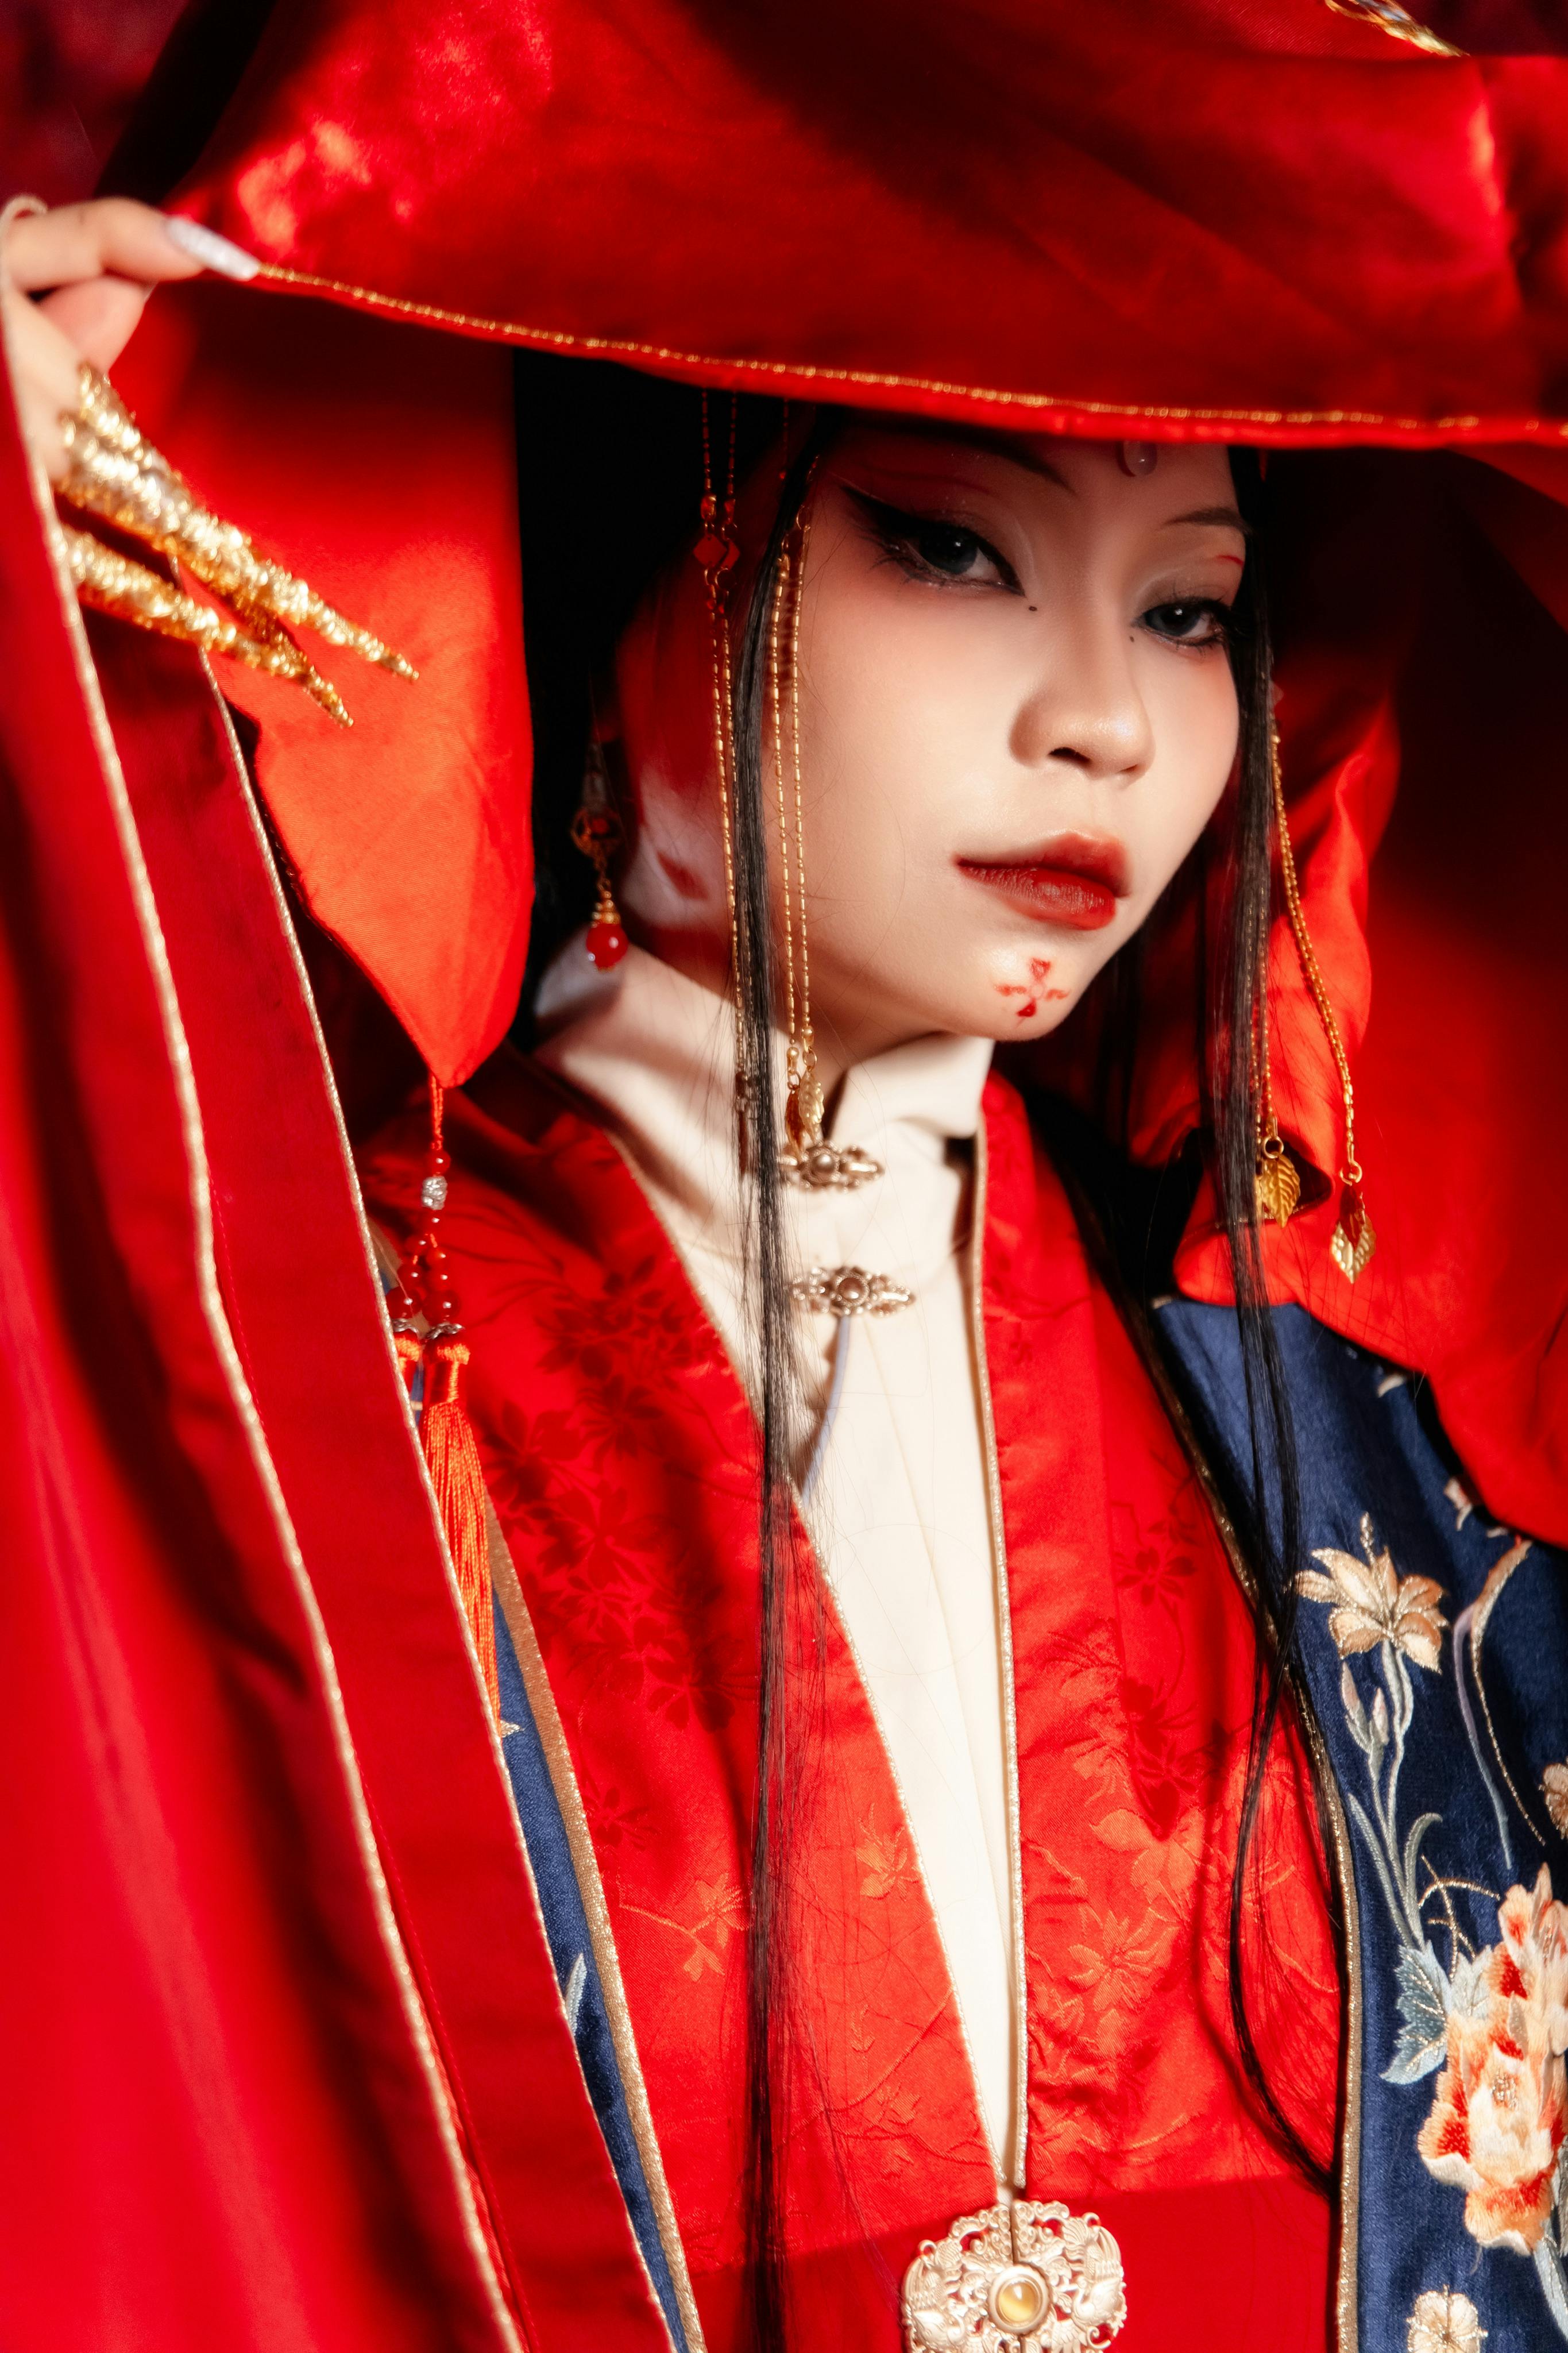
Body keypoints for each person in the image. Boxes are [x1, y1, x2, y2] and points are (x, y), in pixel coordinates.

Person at [1, 12, 1566, 2353]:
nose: (1105, 724)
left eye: (1184, 604)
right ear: (638, 566)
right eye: (951, 544)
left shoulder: (1369, 1451)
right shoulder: (282, 1350)